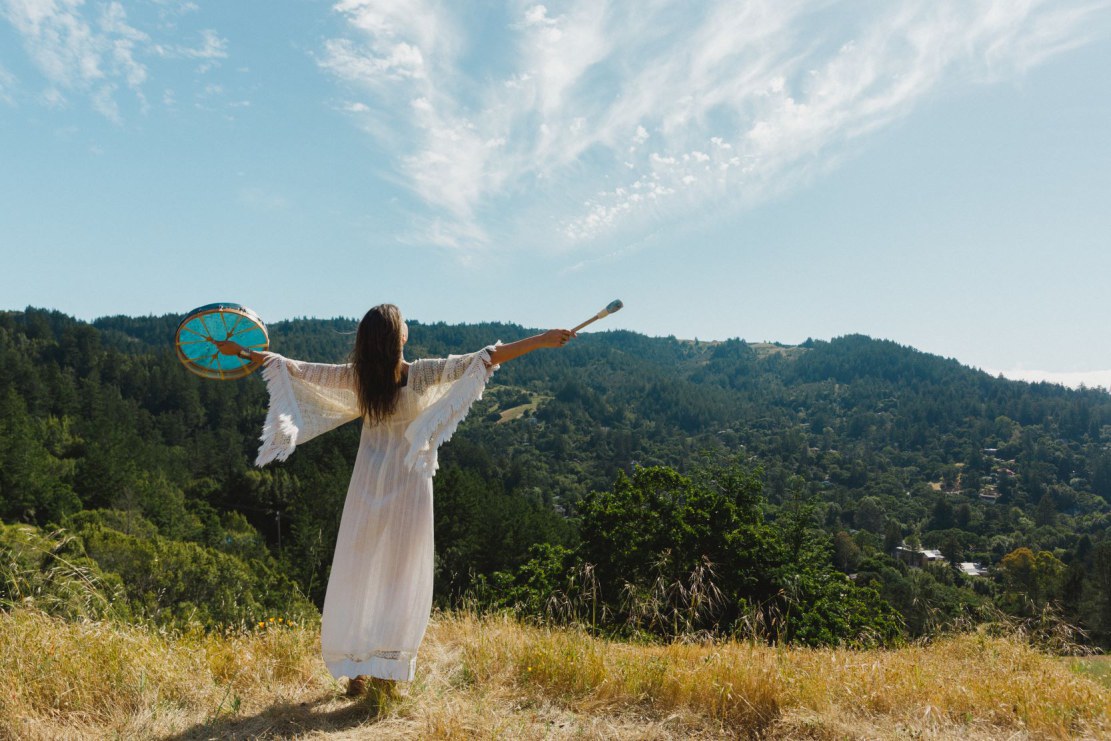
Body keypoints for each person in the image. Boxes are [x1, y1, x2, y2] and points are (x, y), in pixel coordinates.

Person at [217, 304, 574, 696]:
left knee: (361, 570)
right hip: (410, 484)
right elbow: (487, 357)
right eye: (404, 325)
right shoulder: (420, 375)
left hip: (368, 483)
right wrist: (541, 340)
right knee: (399, 578)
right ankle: (386, 674)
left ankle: (357, 670)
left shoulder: (359, 379)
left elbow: (294, 367)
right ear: (399, 337)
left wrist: (242, 353)